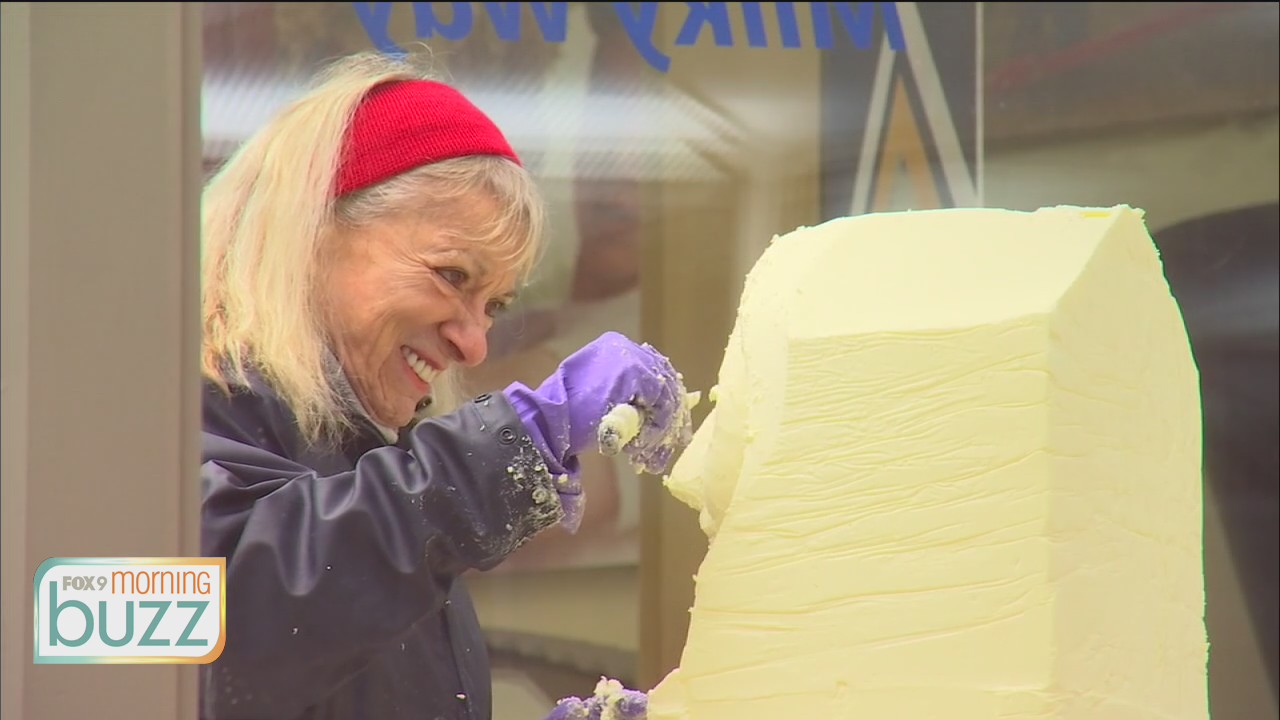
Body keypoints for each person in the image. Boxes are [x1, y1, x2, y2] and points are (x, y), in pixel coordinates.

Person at [199, 50, 692, 720]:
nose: (475, 342)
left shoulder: (358, 468)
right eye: (452, 275)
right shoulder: (159, 417)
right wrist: (508, 448)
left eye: (494, 306)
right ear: (310, 231)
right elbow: (220, 633)